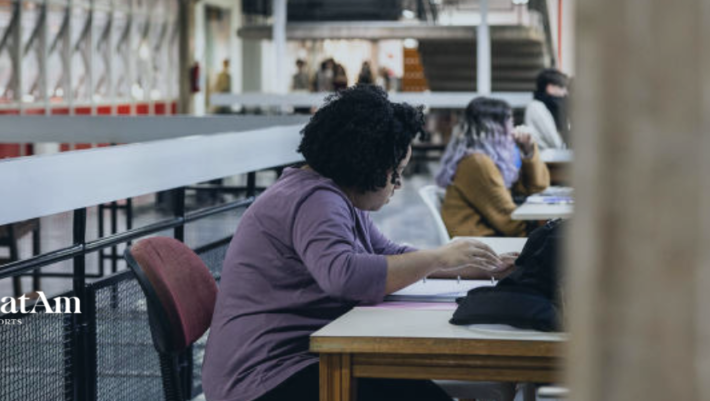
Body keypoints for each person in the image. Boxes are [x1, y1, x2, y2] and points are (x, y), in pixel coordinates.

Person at [202, 85, 510, 401]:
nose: (397, 185)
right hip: (265, 379)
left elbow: (388, 254)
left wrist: (474, 266)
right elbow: (344, 275)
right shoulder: (315, 200)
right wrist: (440, 259)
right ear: (369, 165)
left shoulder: (333, 195)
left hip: (288, 363)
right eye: (397, 173)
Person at [437, 97, 550, 237]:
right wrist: (540, 233)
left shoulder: (487, 160)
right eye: (509, 123)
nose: (513, 130)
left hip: (488, 237)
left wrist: (528, 150)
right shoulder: (477, 163)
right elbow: (509, 222)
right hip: (480, 243)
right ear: (494, 129)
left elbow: (537, 188)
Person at [524, 68, 570, 150]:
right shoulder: (536, 107)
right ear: (550, 88)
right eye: (562, 88)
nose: (565, 93)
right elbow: (556, 142)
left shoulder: (551, 107)